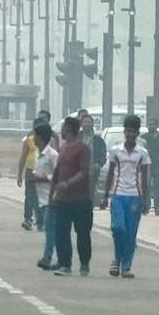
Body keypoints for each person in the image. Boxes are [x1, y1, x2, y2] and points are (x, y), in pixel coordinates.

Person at [100, 114, 147, 278]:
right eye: (128, 131)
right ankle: (117, 258)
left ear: (138, 133)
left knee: (131, 233)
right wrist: (106, 196)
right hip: (118, 195)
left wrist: (145, 199)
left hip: (135, 196)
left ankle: (126, 266)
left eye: (134, 131)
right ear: (124, 132)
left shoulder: (142, 153)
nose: (130, 134)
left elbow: (145, 178)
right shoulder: (115, 151)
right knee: (118, 228)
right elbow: (111, 174)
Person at [49, 115, 94, 276]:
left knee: (82, 233)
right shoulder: (63, 148)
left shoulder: (83, 149)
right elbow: (57, 172)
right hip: (62, 199)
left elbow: (84, 172)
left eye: (63, 129)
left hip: (80, 199)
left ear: (68, 130)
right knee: (61, 232)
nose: (61, 131)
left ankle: (84, 263)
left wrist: (68, 183)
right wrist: (53, 192)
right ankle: (65, 264)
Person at [30, 124, 62, 270]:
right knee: (53, 229)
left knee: (50, 228)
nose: (33, 138)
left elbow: (58, 176)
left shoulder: (53, 155)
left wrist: (39, 179)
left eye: (35, 135)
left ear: (42, 138)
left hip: (53, 196)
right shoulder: (37, 153)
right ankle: (61, 257)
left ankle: (47, 257)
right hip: (42, 197)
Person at [17, 111, 50, 229]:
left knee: (41, 197)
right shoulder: (29, 139)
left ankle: (41, 221)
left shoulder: (50, 139)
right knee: (30, 195)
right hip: (31, 171)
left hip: (44, 172)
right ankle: (28, 219)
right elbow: (23, 156)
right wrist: (19, 174)